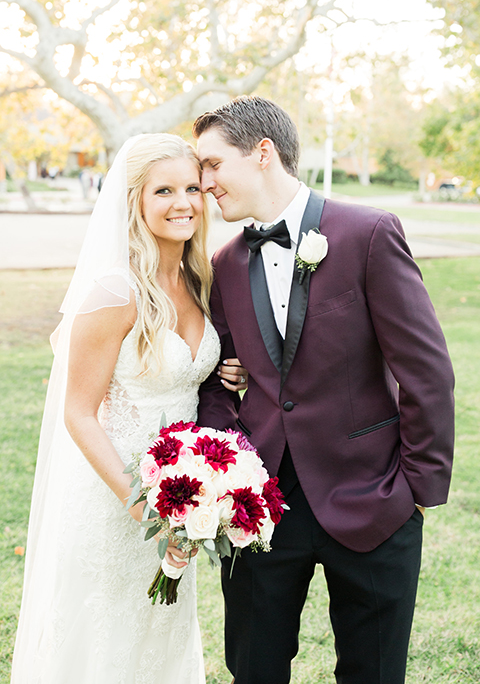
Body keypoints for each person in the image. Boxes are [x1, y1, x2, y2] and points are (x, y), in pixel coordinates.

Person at [194, 96, 455, 684]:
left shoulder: (367, 233)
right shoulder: (225, 264)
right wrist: (230, 468)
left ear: (262, 153)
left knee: (374, 671)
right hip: (260, 509)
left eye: (212, 165)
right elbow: (217, 379)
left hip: (374, 498)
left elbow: (426, 371)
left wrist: (417, 490)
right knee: (254, 668)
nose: (203, 182)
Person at [11, 133, 247, 684]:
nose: (184, 202)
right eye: (163, 190)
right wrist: (142, 505)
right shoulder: (115, 291)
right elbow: (79, 412)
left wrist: (223, 370)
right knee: (103, 640)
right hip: (113, 495)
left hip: (183, 491)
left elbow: (187, 374)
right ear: (133, 201)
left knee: (157, 632)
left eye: (192, 187)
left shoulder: (198, 280)